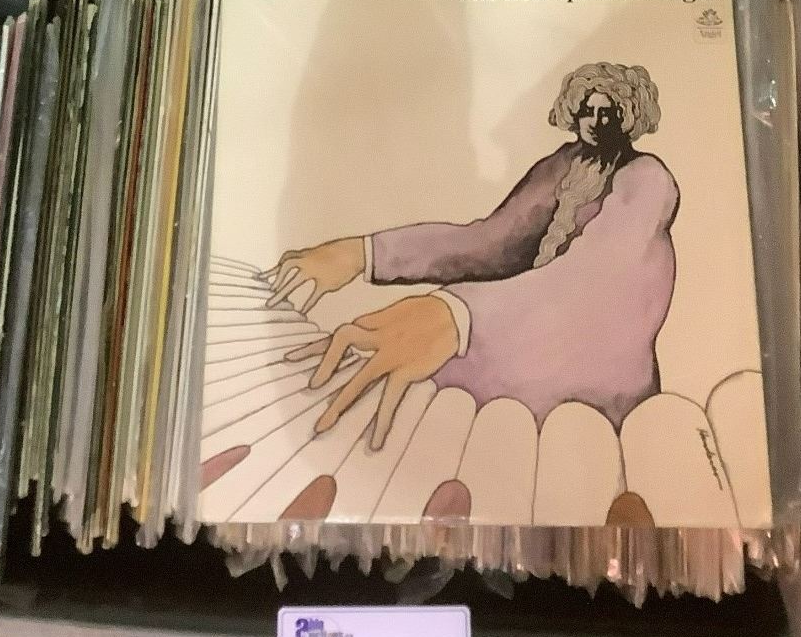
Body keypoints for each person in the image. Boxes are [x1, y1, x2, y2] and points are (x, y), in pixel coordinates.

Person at [265, 63, 678, 451]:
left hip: (590, 384)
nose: (594, 121)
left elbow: (597, 272)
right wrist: (363, 253)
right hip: (511, 337)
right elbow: (491, 241)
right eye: (587, 110)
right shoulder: (563, 165)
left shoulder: (648, 178)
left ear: (628, 117)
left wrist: (455, 316)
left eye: (607, 113)